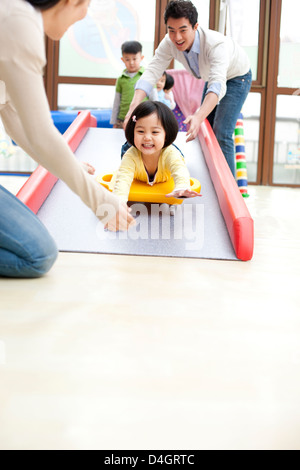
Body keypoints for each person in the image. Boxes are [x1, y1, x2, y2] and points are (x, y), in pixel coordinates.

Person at [0, 0, 135, 278]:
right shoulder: (19, 23)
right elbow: (40, 132)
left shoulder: (14, 16)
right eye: (86, 5)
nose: (85, 14)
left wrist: (66, 164)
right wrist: (100, 200)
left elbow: (16, 122)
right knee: (39, 255)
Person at [125, 0, 252, 178]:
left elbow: (217, 85)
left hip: (237, 77)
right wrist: (133, 106)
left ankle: (229, 189)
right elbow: (151, 72)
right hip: (212, 77)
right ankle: (211, 175)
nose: (177, 37)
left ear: (195, 27)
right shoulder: (168, 43)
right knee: (205, 129)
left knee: (221, 132)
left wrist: (199, 115)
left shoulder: (216, 45)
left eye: (183, 30)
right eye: (171, 30)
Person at [107, 101, 200, 230]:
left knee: (177, 159)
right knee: (126, 154)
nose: (147, 137)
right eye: (140, 131)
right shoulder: (131, 155)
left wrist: (182, 187)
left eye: (155, 132)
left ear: (166, 134)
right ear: (132, 131)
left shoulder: (170, 154)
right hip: (136, 167)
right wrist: (119, 205)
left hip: (166, 169)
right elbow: (123, 179)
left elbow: (180, 171)